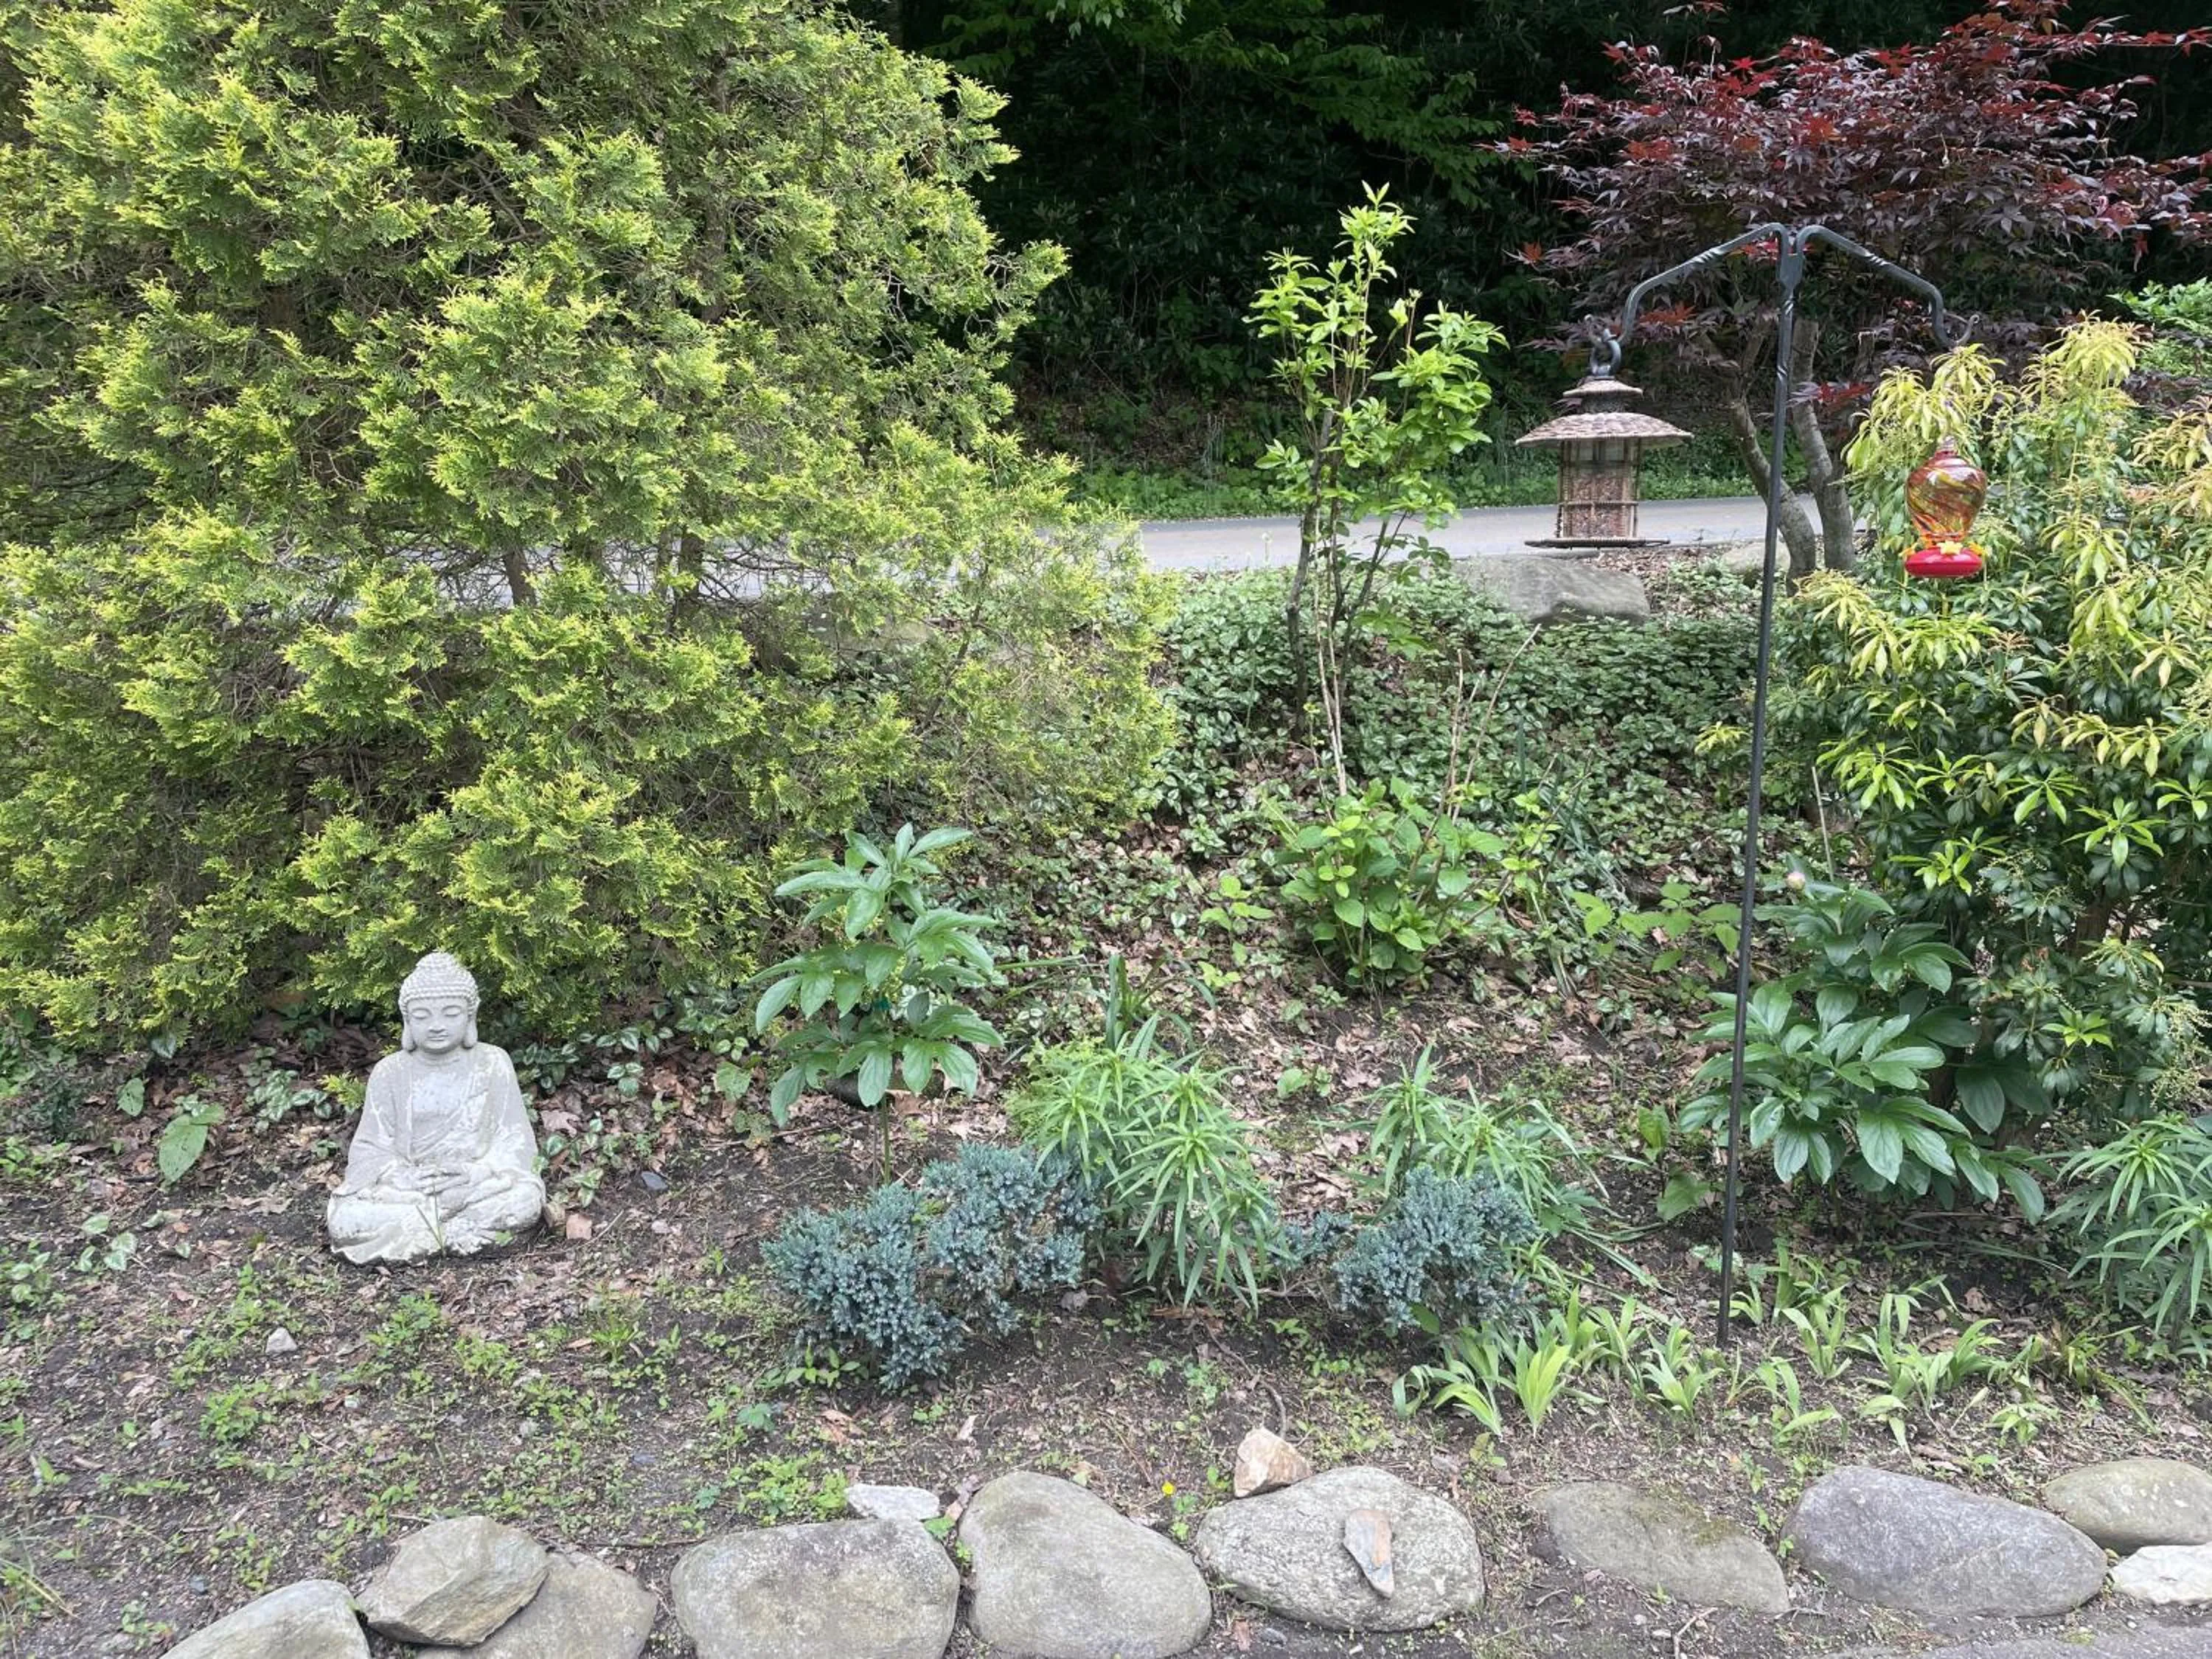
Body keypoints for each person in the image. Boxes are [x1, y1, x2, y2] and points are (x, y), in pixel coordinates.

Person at [326, 952, 544, 1265]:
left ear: (470, 1016)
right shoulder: (391, 1072)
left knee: (522, 1201)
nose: (436, 1026)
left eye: (450, 1014)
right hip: (410, 1190)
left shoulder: (492, 1062)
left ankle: (428, 1231)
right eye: (422, 1016)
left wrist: (477, 1171)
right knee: (347, 1218)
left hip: (474, 1185)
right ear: (407, 1020)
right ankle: (450, 1231)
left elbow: (515, 1142)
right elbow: (370, 1149)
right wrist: (400, 1176)